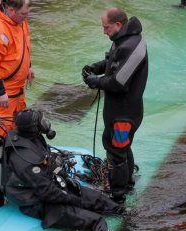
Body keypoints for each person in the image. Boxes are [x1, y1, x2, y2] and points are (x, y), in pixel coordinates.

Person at [2, 109, 132, 231]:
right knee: (95, 220)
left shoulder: (34, 137)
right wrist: (71, 199)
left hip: (46, 185)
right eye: (41, 121)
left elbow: (48, 159)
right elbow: (46, 192)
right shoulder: (26, 160)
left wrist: (66, 177)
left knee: (93, 197)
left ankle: (120, 210)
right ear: (33, 127)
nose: (45, 123)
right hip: (34, 200)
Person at [82, 7, 148, 204]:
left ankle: (117, 197)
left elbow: (118, 82)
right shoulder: (123, 39)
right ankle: (127, 184)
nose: (104, 31)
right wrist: (96, 67)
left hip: (124, 115)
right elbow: (114, 61)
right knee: (122, 148)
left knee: (117, 154)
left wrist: (95, 81)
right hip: (120, 111)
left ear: (118, 25)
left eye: (107, 27)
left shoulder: (131, 46)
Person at [0, 0, 34, 137]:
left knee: (18, 127)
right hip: (3, 93)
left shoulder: (19, 20)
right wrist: (0, 91)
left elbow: (22, 45)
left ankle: (11, 156)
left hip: (17, 89)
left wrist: (28, 67)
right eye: (23, 14)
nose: (26, 17)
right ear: (10, 10)